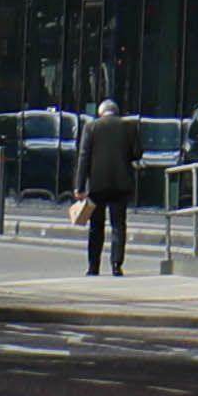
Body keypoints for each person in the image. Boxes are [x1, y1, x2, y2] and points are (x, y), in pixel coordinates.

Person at [76, 92, 141, 275]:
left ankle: (93, 266)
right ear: (116, 112)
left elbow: (84, 157)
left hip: (97, 184)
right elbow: (138, 153)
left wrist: (80, 186)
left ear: (101, 112)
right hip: (121, 183)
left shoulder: (91, 127)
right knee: (118, 225)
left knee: (96, 226)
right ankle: (116, 264)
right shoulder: (129, 127)